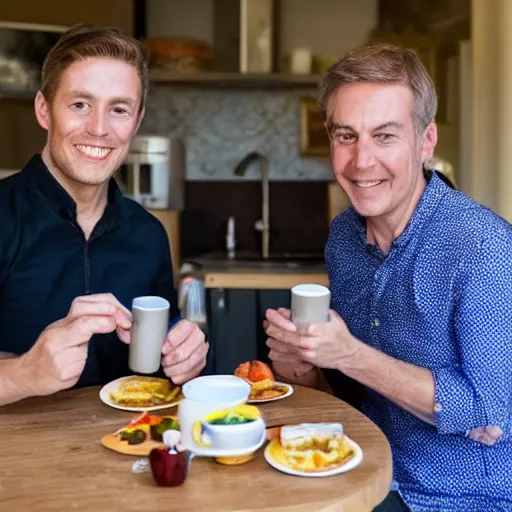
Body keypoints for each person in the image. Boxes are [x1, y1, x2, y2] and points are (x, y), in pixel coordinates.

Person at [264, 44, 512, 511]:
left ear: (427, 141)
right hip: (357, 471)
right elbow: (356, 396)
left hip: (457, 499)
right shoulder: (343, 237)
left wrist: (352, 355)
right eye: (347, 136)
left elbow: (490, 411)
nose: (362, 162)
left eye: (385, 136)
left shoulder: (482, 247)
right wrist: (304, 368)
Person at [0, 24, 208, 407]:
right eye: (80, 104)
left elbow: (157, 371)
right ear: (44, 110)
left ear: (137, 119)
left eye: (118, 109)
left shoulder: (149, 234)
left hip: (126, 455)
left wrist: (185, 357)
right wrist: (23, 373)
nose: (98, 129)